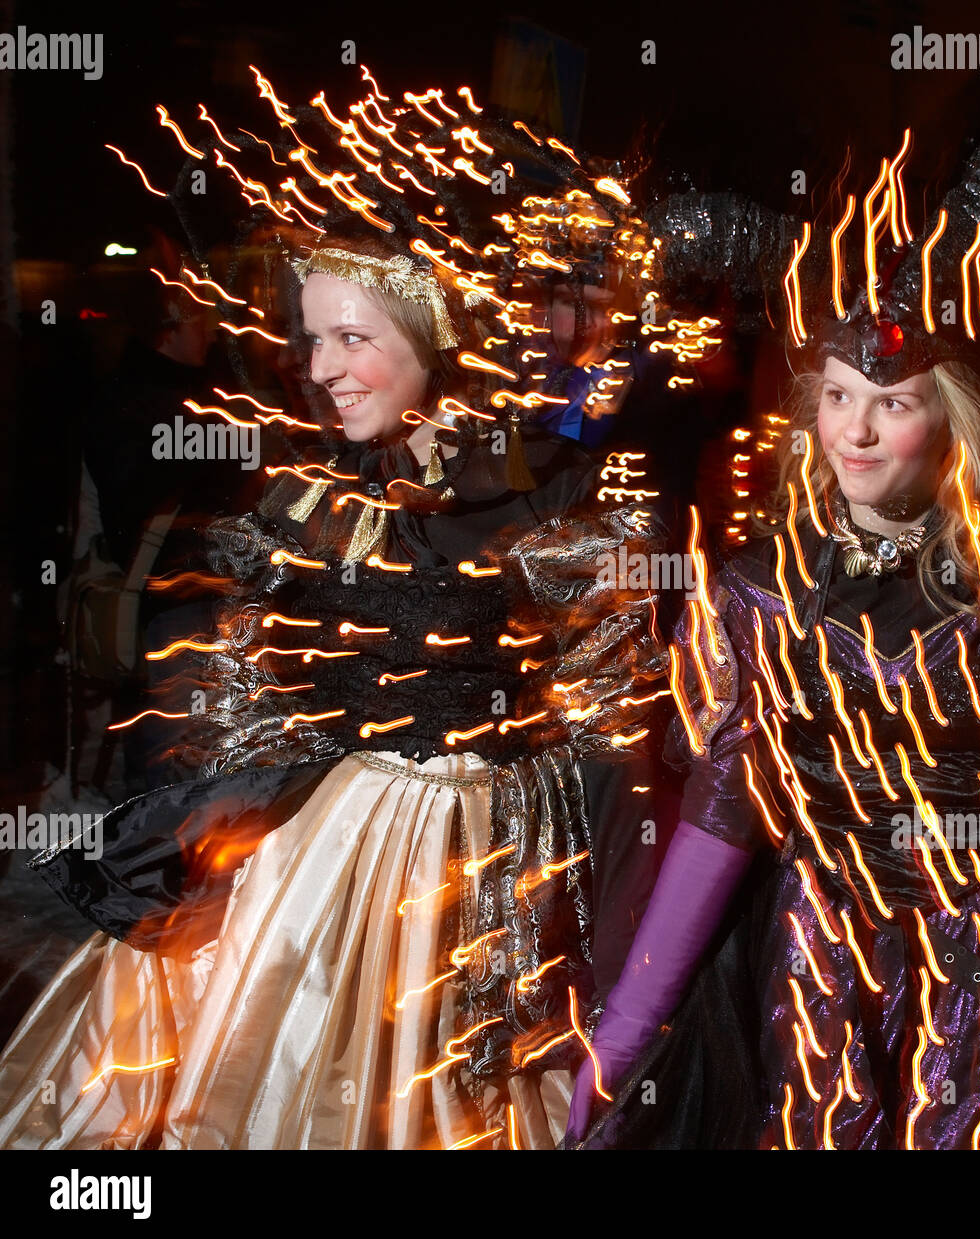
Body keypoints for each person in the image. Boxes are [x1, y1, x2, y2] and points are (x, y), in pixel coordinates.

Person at [0, 74, 677, 1150]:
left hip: (472, 868)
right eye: (311, 342)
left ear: (437, 334)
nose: (319, 373)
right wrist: (229, 792)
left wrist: (583, 917)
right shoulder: (312, 495)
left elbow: (611, 722)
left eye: (350, 340)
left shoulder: (544, 494)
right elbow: (239, 680)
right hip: (313, 850)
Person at [566, 100, 980, 1150]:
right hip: (821, 962)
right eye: (836, 397)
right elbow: (721, 810)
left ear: (955, 419)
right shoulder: (757, 588)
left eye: (892, 401)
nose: (857, 429)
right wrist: (627, 1028)